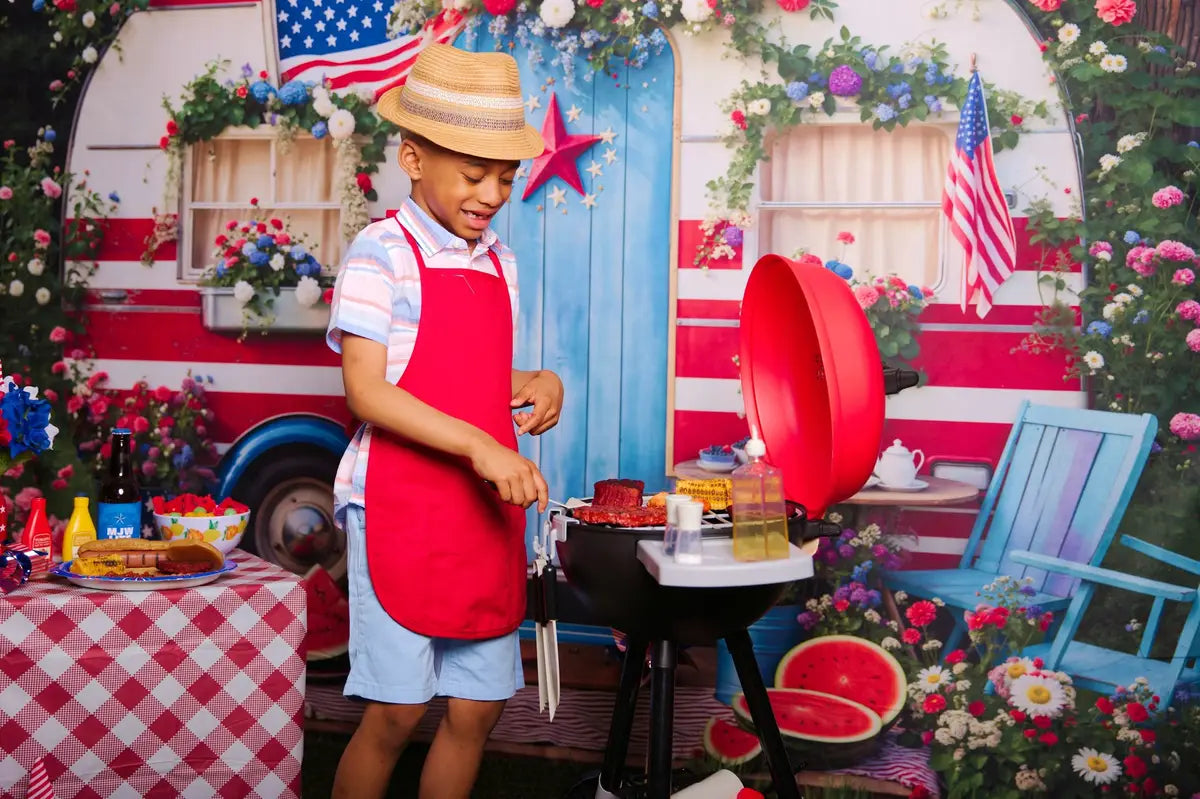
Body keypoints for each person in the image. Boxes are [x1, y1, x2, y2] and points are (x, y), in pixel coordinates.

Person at [326, 44, 563, 799]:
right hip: (399, 504)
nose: (492, 192)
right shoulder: (379, 254)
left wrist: (536, 381)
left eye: (505, 175)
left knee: (478, 706)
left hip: (478, 511)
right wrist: (481, 445)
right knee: (397, 710)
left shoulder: (501, 262)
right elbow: (369, 389)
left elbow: (469, 375)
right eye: (473, 172)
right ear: (413, 158)